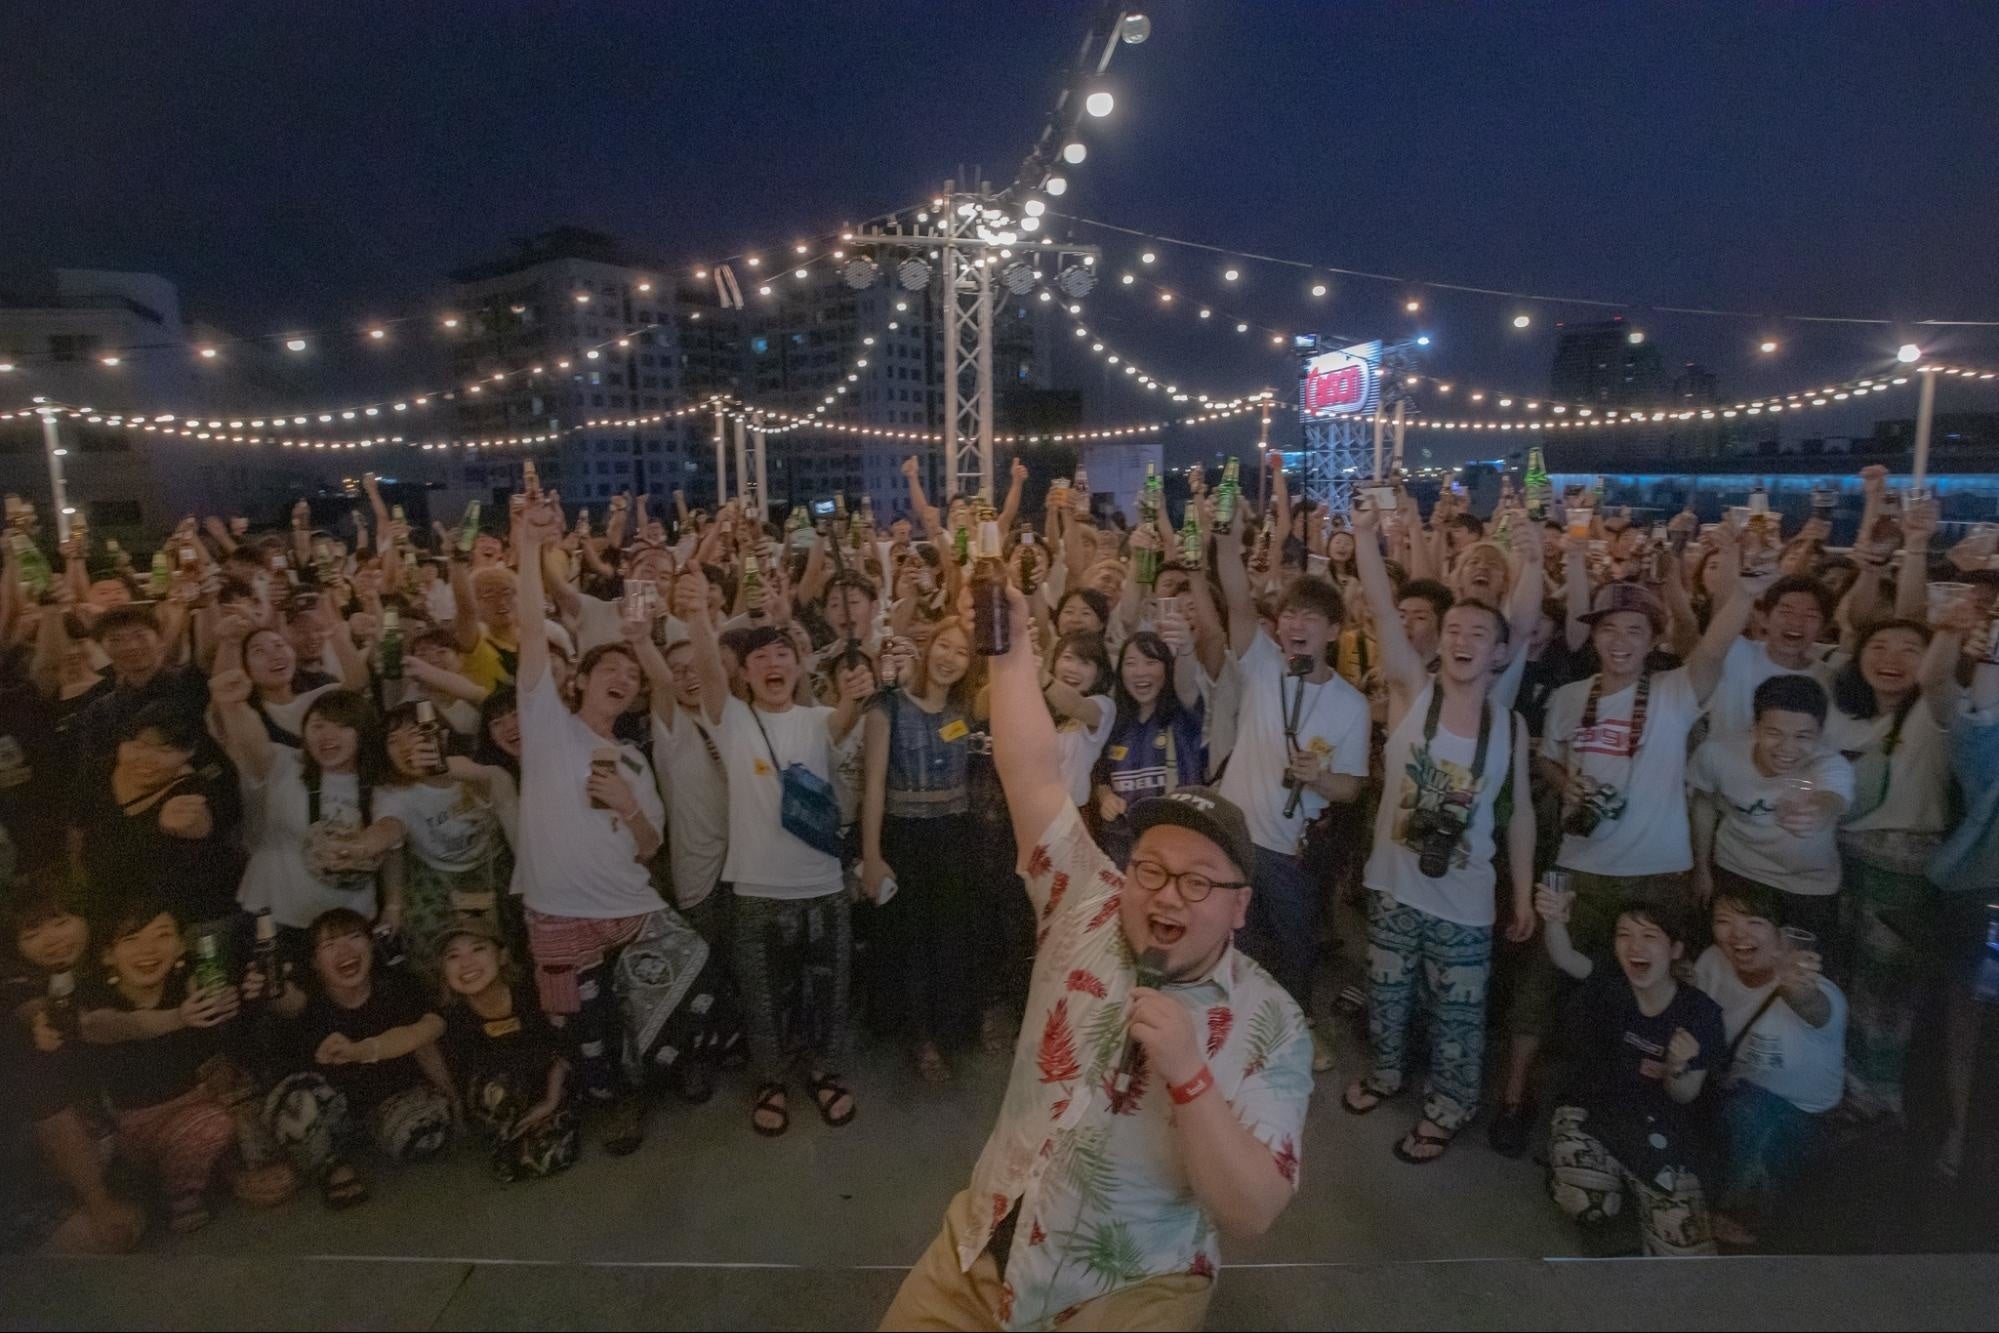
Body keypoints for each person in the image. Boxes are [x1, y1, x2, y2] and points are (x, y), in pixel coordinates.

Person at [880, 579, 1312, 1333]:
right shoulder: (1086, 903)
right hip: (979, 1246)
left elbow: (1252, 1210)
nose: (1167, 895)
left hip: (1131, 1287)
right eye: (1151, 869)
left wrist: (1189, 1073)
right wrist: (1011, 649)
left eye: (1197, 882)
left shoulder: (1274, 1024)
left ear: (1240, 906)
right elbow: (1033, 776)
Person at [1492, 577, 1734, 1154]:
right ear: (1594, 636)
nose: (1620, 641)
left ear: (1653, 640)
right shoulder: (1570, 697)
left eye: (1634, 630)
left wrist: (1745, 593)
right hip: (1581, 867)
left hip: (1657, 874)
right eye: (1608, 629)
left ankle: (1635, 1109)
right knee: (1541, 983)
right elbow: (1549, 758)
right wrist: (1565, 783)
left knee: (1650, 998)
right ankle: (1515, 1099)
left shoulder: (1675, 691)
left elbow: (1714, 650)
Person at [1340, 495, 1536, 1164]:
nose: (1461, 640)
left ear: (1501, 652)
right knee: (1387, 997)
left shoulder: (1510, 726)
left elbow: (1520, 814)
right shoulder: (1410, 694)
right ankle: (1386, 1074)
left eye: (1478, 633)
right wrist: (1365, 537)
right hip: (1395, 887)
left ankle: (1449, 1107)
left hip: (1466, 903)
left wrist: (1522, 894)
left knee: (1459, 1017)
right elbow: (1379, 605)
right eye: (1453, 629)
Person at [681, 567, 873, 1138]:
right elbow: (708, 670)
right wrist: (697, 615)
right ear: (744, 674)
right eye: (759, 658)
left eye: (782, 655)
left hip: (823, 885)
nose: (772, 663)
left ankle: (823, 1071)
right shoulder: (732, 720)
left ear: (799, 667)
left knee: (829, 990)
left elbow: (847, 714)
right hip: (755, 891)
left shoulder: (819, 720)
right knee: (762, 998)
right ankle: (771, 1081)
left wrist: (855, 690)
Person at [509, 484, 668, 1154]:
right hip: (557, 909)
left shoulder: (634, 759)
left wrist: (629, 807)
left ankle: (648, 1085)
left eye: (631, 675)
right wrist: (528, 546)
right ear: (578, 679)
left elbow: (651, 846)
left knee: (661, 998)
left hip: (626, 907)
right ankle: (600, 1099)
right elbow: (529, 629)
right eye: (608, 667)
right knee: (582, 1025)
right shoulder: (546, 724)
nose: (621, 678)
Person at [1213, 511, 1371, 1018]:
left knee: (1292, 956)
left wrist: (1319, 778)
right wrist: (1226, 542)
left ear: (1333, 631)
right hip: (1234, 839)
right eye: (1289, 616)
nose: (1295, 625)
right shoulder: (1262, 664)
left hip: (1290, 854)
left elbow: (1352, 787)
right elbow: (1238, 601)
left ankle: (1290, 1038)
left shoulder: (1352, 705)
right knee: (1233, 950)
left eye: (1309, 618)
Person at [1825, 614, 1960, 1122]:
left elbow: (1939, 679)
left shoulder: (1933, 713)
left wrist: (1948, 633)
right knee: (1842, 975)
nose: (1891, 659)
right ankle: (1839, 1083)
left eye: (1909, 649)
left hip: (1902, 870)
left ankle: (1877, 1097)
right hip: (1840, 859)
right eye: (1879, 646)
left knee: (1885, 992)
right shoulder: (1844, 715)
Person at [1538, 893, 1724, 1258]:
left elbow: (1685, 1095)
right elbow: (1565, 958)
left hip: (1663, 1126)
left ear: (1675, 949)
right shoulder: (1611, 983)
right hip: (1597, 1108)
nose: (1635, 946)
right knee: (1584, 1201)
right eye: (1624, 935)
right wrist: (1555, 920)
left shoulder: (1701, 1014)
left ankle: (1634, 1187)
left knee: (1688, 1255)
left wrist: (1677, 1066)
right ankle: (1602, 1182)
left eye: (1650, 936)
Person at [259, 908, 455, 1209]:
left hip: (387, 1101)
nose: (345, 951)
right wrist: (269, 987)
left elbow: (426, 1035)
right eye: (329, 945)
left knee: (427, 1134)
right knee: (294, 1103)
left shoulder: (397, 986)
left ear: (371, 945)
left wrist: (454, 1100)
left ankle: (378, 1137)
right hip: (333, 1114)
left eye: (354, 937)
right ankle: (331, 1165)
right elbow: (285, 1002)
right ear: (315, 963)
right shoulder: (308, 1003)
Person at [76, 899, 244, 1233]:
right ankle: (178, 1195)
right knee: (212, 1124)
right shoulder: (93, 994)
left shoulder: (188, 977)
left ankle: (224, 1173)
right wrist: (179, 1017)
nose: (148, 950)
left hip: (197, 1103)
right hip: (134, 1125)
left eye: (162, 935)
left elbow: (209, 1000)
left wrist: (224, 1000)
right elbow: (109, 1026)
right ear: (107, 954)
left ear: (180, 945)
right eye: (131, 940)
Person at [1694, 882, 1846, 1247]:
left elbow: (1816, 1008)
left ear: (1781, 936)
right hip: (1730, 1093)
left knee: (1754, 1113)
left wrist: (1801, 994)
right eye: (1724, 921)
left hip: (1798, 1115)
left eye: (1754, 922)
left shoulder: (1819, 990)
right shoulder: (1712, 963)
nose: (1738, 934)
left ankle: (1742, 1219)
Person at [211, 676, 400, 963]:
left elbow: (392, 833)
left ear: (363, 733)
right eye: (318, 725)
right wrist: (234, 707)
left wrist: (392, 904)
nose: (327, 735)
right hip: (274, 923)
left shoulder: (380, 784)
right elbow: (251, 745)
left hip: (348, 928)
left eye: (342, 726)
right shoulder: (285, 764)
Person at [1688, 675, 1853, 942]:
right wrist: (1701, 869)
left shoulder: (1829, 765)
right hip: (1735, 870)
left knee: (1804, 961)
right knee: (1731, 951)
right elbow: (1703, 803)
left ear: (1819, 734)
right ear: (1755, 728)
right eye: (1774, 733)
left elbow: (1833, 797)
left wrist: (1817, 813)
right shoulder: (1717, 755)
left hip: (1808, 885)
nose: (1788, 748)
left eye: (1803, 736)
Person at [70, 703, 242, 928]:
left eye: (165, 750)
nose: (147, 758)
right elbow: (76, 831)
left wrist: (186, 827)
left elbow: (204, 830)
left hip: (175, 920)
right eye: (138, 745)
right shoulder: (99, 773)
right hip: (105, 912)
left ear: (189, 753)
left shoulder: (193, 792)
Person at [436, 916, 579, 1182]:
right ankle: (507, 1134)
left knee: (545, 1159)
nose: (466, 963)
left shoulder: (533, 991)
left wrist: (550, 1100)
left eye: (478, 949)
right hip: (504, 1098)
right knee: (508, 1160)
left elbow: (563, 1047)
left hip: (553, 1084)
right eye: (453, 956)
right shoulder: (452, 1016)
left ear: (502, 956)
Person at [374, 702, 510, 983]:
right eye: (393, 740)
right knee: (433, 948)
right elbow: (389, 831)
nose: (405, 746)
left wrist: (441, 766)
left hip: (491, 865)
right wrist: (361, 847)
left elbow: (487, 778)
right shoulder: (392, 791)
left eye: (414, 733)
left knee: (501, 945)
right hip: (436, 874)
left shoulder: (471, 765)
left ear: (441, 734)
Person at [1093, 628, 1206, 867]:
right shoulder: (1114, 723)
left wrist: (1186, 648)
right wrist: (1106, 798)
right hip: (1124, 851)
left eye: (1151, 662)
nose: (1140, 671)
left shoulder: (1184, 717)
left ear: (1167, 669)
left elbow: (1187, 682)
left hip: (1177, 846)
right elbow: (1101, 778)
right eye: (1130, 663)